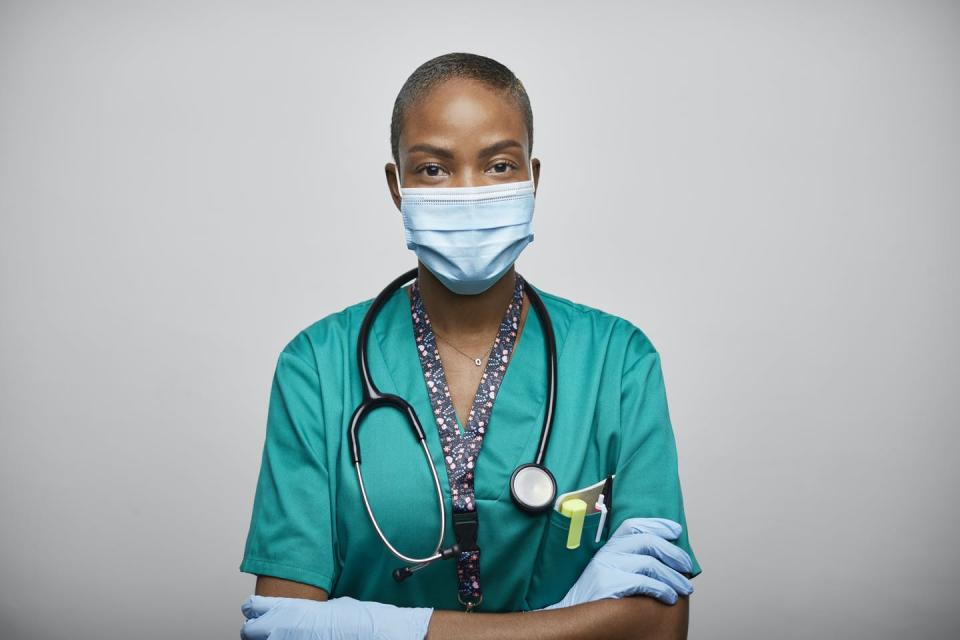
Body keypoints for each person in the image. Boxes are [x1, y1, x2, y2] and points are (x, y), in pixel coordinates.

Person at [239, 52, 701, 639]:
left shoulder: (618, 361)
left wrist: (381, 629)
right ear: (396, 185)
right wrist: (568, 624)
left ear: (534, 178)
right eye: (433, 169)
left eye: (499, 165)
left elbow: (661, 628)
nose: (469, 192)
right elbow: (285, 628)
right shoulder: (316, 368)